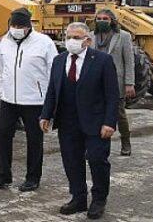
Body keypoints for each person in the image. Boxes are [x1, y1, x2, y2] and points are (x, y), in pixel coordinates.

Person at [40, 22, 119, 219]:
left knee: (96, 159)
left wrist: (110, 122)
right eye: (68, 37)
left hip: (95, 122)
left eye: (76, 37)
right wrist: (45, 114)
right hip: (67, 121)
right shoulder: (59, 61)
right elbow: (52, 90)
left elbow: (112, 95)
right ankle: (78, 197)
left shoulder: (102, 60)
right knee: (71, 160)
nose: (71, 41)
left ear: (87, 40)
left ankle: (99, 199)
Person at [0, 7, 58, 192]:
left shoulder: (44, 43)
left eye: (21, 25)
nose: (17, 28)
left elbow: (54, 72)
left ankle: (32, 177)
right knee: (3, 136)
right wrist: (1, 90)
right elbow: (2, 69)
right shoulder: (4, 42)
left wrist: (50, 101)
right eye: (14, 25)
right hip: (9, 100)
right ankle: (3, 175)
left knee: (34, 140)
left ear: (29, 26)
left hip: (34, 101)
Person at [90, 8, 135, 156]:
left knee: (119, 114)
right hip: (96, 82)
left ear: (112, 21)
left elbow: (129, 61)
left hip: (116, 81)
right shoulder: (91, 37)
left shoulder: (123, 36)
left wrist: (129, 83)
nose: (101, 21)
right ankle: (95, 145)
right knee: (95, 115)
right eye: (99, 19)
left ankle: (126, 142)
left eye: (105, 19)